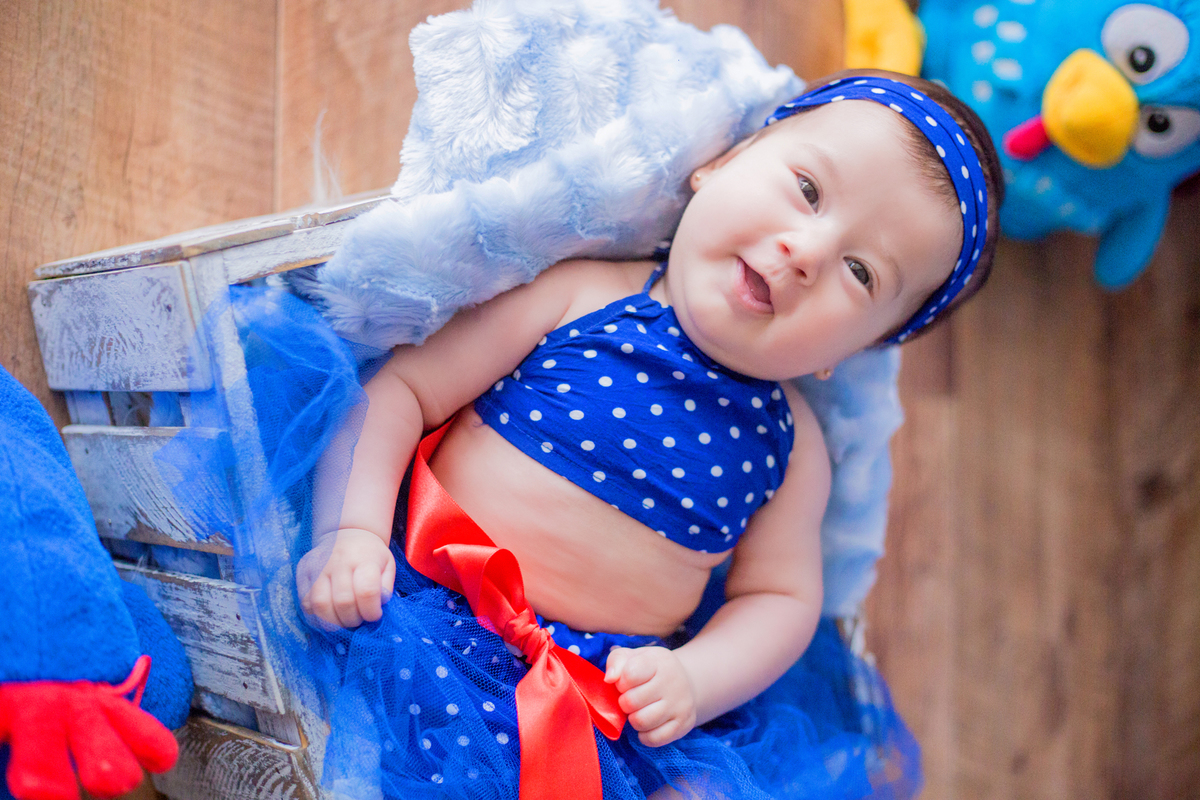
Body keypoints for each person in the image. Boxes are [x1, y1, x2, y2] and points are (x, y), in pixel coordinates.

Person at [298, 69, 1002, 800]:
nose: (807, 252)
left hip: (596, 697)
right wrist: (349, 532)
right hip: (422, 604)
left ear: (847, 354)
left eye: (860, 273)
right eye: (809, 191)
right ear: (720, 164)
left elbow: (781, 601)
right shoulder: (580, 296)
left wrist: (696, 679)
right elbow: (402, 391)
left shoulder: (792, 453)